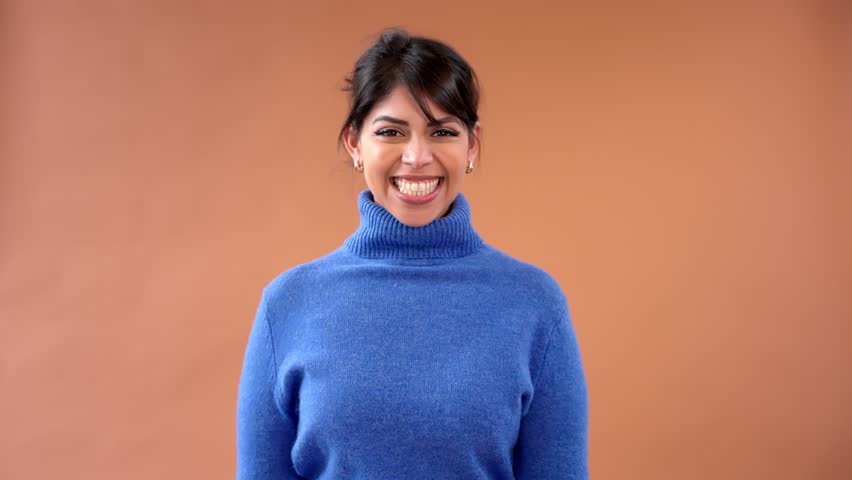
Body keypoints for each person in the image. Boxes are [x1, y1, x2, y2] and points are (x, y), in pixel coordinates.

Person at [236, 28, 589, 479]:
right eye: (391, 132)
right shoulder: (287, 304)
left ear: (472, 145)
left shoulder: (534, 302)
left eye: (442, 131)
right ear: (354, 143)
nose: (417, 156)